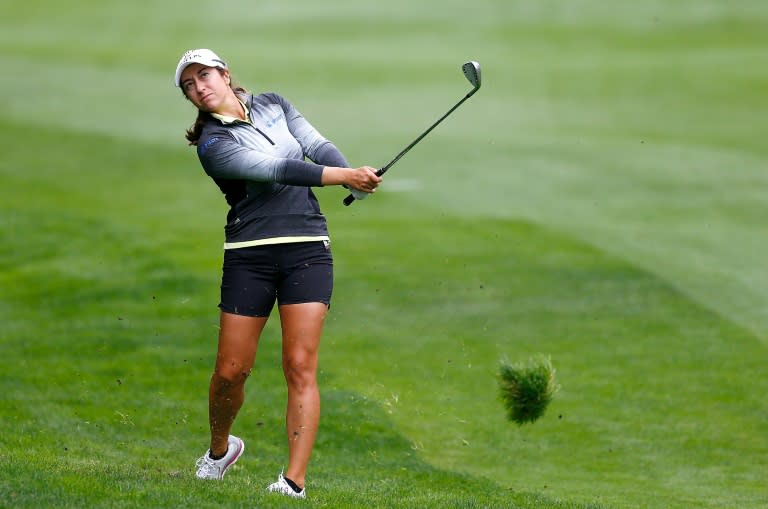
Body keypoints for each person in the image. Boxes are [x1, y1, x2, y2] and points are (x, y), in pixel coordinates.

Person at [174, 48, 382, 499]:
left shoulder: (274, 104)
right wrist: (345, 175)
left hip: (307, 249)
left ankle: (294, 482)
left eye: (205, 75)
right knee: (231, 371)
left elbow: (315, 144)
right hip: (250, 254)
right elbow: (273, 170)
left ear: (225, 74)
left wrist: (348, 174)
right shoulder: (212, 144)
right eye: (189, 85)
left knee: (300, 366)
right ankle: (219, 451)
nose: (200, 87)